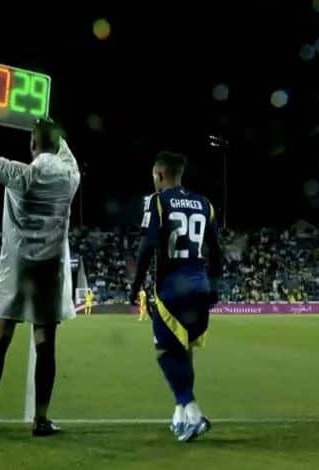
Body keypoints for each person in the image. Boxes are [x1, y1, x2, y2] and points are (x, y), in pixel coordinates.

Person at [0, 98, 80, 436]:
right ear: (58, 145)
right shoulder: (71, 177)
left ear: (31, 144)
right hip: (50, 272)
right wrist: (52, 130)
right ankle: (41, 420)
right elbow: (65, 154)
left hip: (16, 269)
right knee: (45, 342)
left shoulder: (20, 175)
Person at [128, 151, 222, 442]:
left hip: (171, 290)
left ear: (159, 175)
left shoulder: (157, 201)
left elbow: (147, 246)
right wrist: (215, 287)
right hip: (200, 287)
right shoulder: (205, 204)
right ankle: (180, 416)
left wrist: (135, 285)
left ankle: (193, 412)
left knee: (166, 354)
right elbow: (216, 249)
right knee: (184, 350)